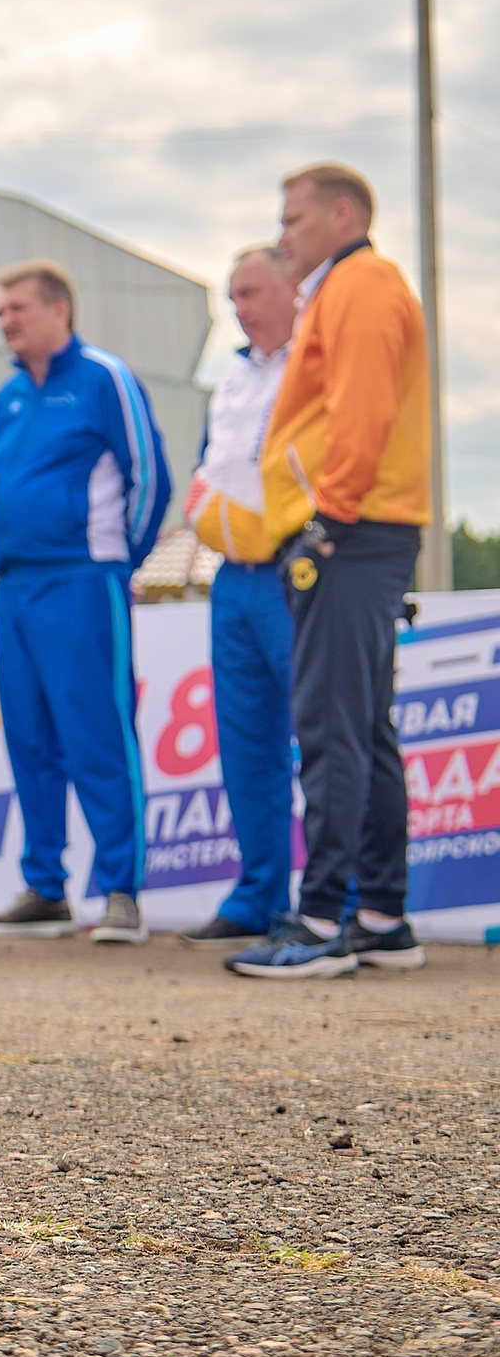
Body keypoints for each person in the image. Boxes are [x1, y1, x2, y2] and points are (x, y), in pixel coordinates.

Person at [227, 165, 430, 980]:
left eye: (294, 218)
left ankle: (319, 923)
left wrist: (329, 520)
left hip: (353, 530)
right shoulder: (347, 288)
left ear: (342, 214)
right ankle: (380, 916)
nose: (284, 234)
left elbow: (362, 406)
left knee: (331, 727)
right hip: (365, 526)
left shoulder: (360, 285)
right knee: (362, 727)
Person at [0, 261, 170, 946]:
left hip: (82, 582)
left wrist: (117, 559)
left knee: (97, 734)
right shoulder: (8, 396)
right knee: (29, 739)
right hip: (15, 588)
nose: (6, 321)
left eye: (18, 308)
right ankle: (45, 888)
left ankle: (120, 891)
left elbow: (150, 477)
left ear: (59, 310)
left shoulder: (104, 377)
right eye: (0, 311)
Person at [178, 248, 300, 950]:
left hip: (295, 572)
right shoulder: (231, 374)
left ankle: (343, 897)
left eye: (251, 292)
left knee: (323, 739)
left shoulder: (313, 363)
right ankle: (258, 895)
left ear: (291, 288)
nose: (239, 308)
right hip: (234, 577)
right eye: (232, 296)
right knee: (247, 744)